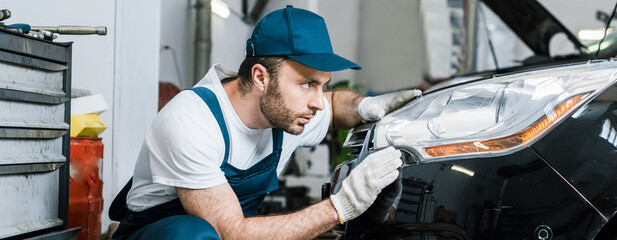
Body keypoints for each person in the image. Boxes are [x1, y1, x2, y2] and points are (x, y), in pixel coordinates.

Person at [110, 5, 421, 240]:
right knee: (193, 233)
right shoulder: (190, 122)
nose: (317, 100)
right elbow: (229, 231)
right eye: (307, 84)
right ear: (260, 76)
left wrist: (365, 106)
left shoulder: (287, 111)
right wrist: (341, 206)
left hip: (230, 231)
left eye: (323, 85)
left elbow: (335, 106)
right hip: (157, 233)